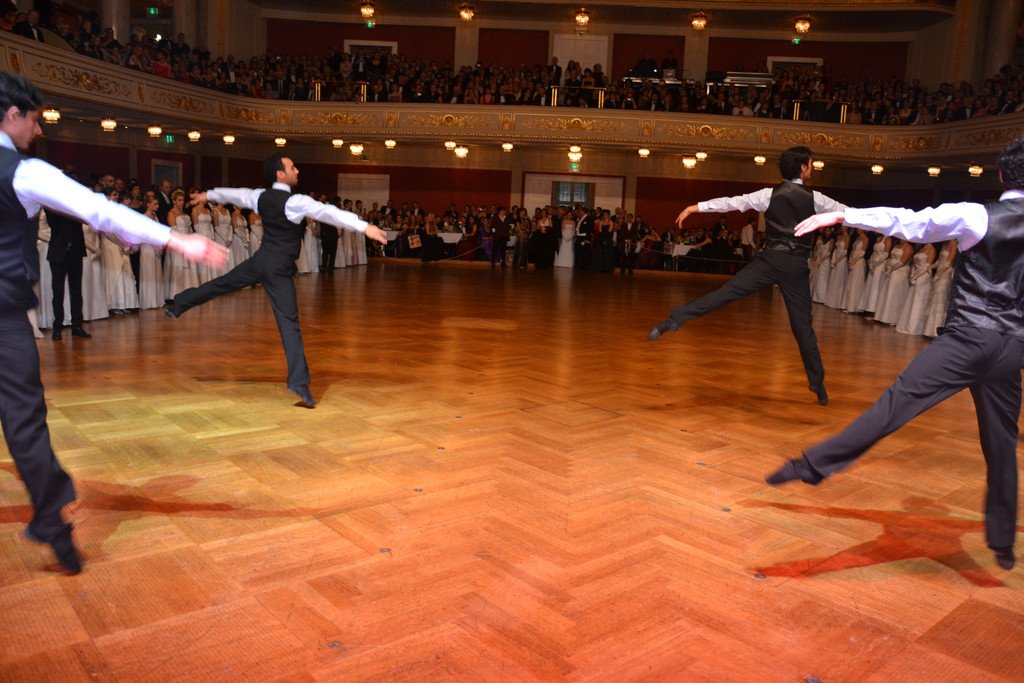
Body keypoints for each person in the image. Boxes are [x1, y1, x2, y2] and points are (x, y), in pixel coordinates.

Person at [0, 72, 225, 574]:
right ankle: (51, 521)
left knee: (23, 419)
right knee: (23, 420)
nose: (38, 130)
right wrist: (175, 238)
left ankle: (51, 519)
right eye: (34, 119)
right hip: (2, 317)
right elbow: (98, 209)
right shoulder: (23, 172)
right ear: (12, 114)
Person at [766, 135, 1024, 572]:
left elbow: (909, 222)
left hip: (967, 341)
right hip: (1012, 347)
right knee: (1001, 444)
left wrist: (844, 215)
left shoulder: (977, 216)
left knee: (895, 404)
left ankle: (813, 466)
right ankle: (1002, 543)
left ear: (1001, 175)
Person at [165, 153, 387, 408]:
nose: (297, 170)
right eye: (292, 167)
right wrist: (365, 227)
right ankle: (298, 383)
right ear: (281, 174)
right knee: (289, 325)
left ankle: (178, 304)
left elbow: (236, 195)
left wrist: (208, 195)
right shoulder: (295, 202)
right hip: (278, 269)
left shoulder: (260, 196)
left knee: (221, 284)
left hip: (260, 261)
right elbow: (328, 213)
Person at [647, 146, 847, 406]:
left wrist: (696, 207)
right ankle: (818, 385)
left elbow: (732, 202)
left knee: (725, 293)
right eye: (811, 163)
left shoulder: (768, 195)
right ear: (802, 167)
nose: (812, 168)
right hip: (795, 267)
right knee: (803, 328)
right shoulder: (817, 199)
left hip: (769, 261)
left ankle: (673, 320)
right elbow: (849, 214)